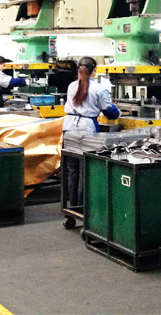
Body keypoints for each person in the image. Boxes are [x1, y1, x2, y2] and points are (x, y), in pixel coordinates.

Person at [62, 56, 120, 208]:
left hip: (68, 129)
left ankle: (73, 206)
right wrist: (119, 112)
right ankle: (84, 208)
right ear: (95, 69)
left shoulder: (71, 86)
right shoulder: (99, 89)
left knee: (73, 170)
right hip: (86, 129)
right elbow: (110, 112)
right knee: (86, 169)